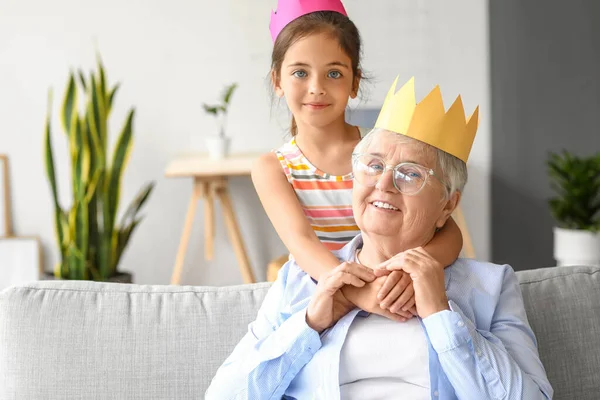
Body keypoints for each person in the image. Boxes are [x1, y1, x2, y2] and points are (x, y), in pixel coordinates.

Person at [206, 76, 553, 399]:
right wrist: (310, 325)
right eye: (373, 165)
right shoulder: (298, 281)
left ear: (448, 204)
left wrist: (441, 314)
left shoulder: (492, 286)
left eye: (410, 173)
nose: (383, 184)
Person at [252, 0, 463, 322]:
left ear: (354, 82)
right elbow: (303, 244)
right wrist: (359, 293)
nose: (316, 88)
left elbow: (449, 232)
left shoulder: (384, 150)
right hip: (329, 300)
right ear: (277, 81)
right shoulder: (273, 168)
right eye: (299, 73)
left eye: (333, 73)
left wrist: (413, 272)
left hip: (401, 294)